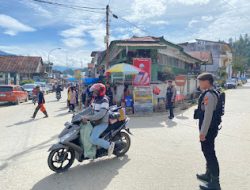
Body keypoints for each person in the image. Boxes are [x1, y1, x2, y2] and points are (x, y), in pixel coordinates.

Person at [195, 73, 221, 190]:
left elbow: (208, 115)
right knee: (207, 152)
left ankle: (215, 183)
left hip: (208, 130)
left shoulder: (209, 95)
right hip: (210, 129)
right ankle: (208, 175)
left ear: (207, 82)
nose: (199, 84)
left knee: (210, 154)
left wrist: (203, 133)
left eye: (200, 81)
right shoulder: (209, 93)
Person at [81, 83, 115, 157]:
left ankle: (109, 145)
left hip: (102, 123)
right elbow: (90, 109)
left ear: (100, 91)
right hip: (95, 122)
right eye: (93, 91)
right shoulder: (95, 100)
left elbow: (100, 114)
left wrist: (88, 117)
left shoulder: (104, 100)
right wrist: (80, 115)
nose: (93, 93)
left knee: (93, 139)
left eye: (95, 91)